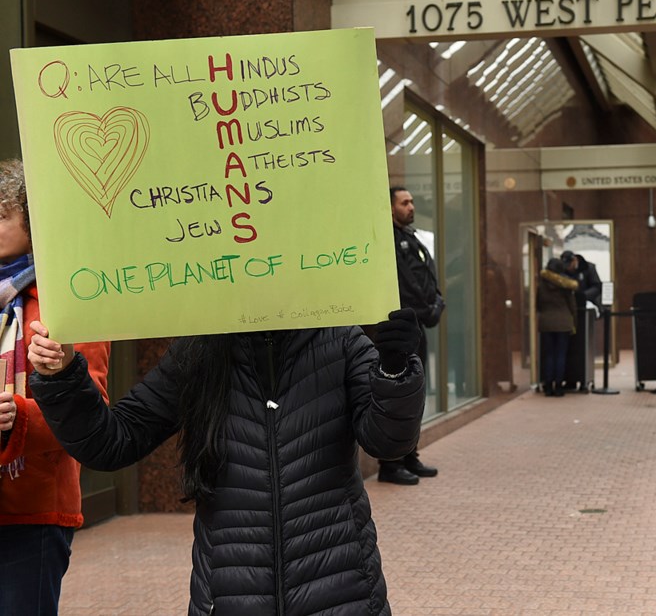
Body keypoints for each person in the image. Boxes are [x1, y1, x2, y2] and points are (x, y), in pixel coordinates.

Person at [28, 302, 424, 615]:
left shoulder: (339, 338)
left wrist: (394, 370)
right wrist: (62, 375)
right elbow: (112, 442)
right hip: (230, 594)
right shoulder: (200, 350)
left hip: (342, 588)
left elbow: (388, 443)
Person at [0, 158, 111, 616]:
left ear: (34, 220)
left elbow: (90, 414)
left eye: (1, 214)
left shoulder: (71, 295)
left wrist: (15, 418)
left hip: (32, 510)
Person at [378, 186, 441, 485]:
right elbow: (404, 283)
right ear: (390, 208)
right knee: (398, 396)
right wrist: (426, 308)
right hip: (401, 330)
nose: (411, 206)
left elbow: (427, 275)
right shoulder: (388, 240)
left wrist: (437, 301)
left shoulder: (411, 237)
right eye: (405, 203)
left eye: (412, 201)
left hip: (417, 325)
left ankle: (409, 455)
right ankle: (391, 464)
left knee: (415, 395)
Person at [559, 250, 602, 391]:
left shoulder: (589, 268)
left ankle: (583, 378)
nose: (569, 268)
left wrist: (583, 297)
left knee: (582, 346)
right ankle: (570, 380)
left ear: (575, 261)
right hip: (568, 312)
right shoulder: (562, 271)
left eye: (570, 265)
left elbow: (597, 286)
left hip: (584, 312)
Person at [537, 257, 579, 396]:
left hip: (546, 322)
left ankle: (548, 386)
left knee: (549, 355)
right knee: (560, 355)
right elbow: (572, 305)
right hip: (563, 322)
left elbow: (538, 303)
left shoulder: (541, 284)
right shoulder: (565, 285)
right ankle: (559, 387)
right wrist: (574, 321)